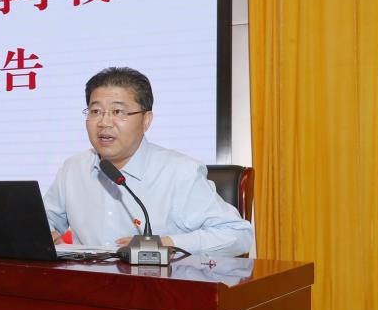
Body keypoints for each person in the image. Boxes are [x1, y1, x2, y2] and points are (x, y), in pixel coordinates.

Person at [43, 67, 254, 256]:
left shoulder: (180, 172)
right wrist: (45, 236)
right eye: (96, 111)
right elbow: (45, 220)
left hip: (158, 284)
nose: (104, 122)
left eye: (118, 112)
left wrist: (165, 244)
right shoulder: (73, 168)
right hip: (86, 283)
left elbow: (238, 234)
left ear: (146, 120)